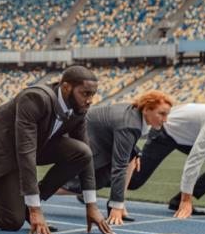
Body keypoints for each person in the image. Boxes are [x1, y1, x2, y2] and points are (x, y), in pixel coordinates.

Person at [0, 65, 114, 234]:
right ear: (67, 87)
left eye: (92, 94)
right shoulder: (35, 98)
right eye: (85, 94)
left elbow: (87, 156)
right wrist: (35, 210)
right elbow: (26, 152)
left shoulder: (78, 110)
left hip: (32, 146)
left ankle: (26, 204)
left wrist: (91, 205)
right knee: (12, 221)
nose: (90, 100)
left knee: (82, 153)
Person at [60, 91, 174, 225]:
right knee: (88, 183)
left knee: (130, 158)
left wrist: (135, 151)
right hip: (81, 142)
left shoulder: (135, 114)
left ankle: (120, 202)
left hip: (97, 140)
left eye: (167, 115)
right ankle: (35, 193)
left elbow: (121, 139)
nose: (165, 120)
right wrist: (116, 206)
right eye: (161, 114)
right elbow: (119, 166)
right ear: (146, 110)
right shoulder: (130, 123)